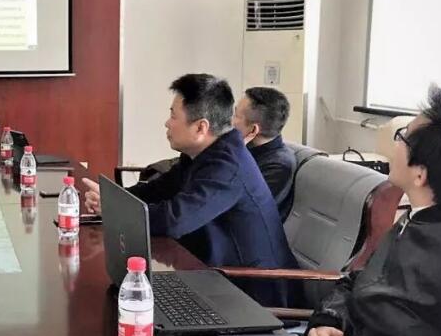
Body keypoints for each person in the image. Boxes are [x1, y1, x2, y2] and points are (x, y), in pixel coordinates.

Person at [307, 86, 441, 336]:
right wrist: (330, 319)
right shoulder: (421, 217)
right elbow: (361, 280)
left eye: (402, 137)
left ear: (420, 174)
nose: (395, 144)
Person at [83, 74, 297, 303]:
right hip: (212, 275)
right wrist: (113, 199)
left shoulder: (228, 166)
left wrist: (115, 210)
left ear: (200, 127)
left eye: (173, 116)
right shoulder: (202, 154)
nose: (167, 123)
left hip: (253, 293)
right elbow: (158, 189)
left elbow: (175, 220)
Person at [232, 87, 297, 221]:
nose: (230, 121)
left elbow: (239, 208)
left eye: (236, 116)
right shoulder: (246, 148)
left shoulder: (279, 165)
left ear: (253, 130)